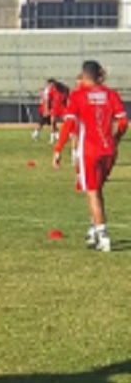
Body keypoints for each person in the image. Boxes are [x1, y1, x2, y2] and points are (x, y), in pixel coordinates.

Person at [53, 61, 127, 252]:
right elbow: (123, 122)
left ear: (84, 76)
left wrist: (58, 149)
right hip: (109, 150)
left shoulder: (78, 96)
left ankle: (103, 236)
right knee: (97, 189)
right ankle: (94, 228)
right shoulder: (111, 95)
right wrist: (116, 138)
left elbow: (68, 124)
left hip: (89, 151)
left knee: (92, 191)